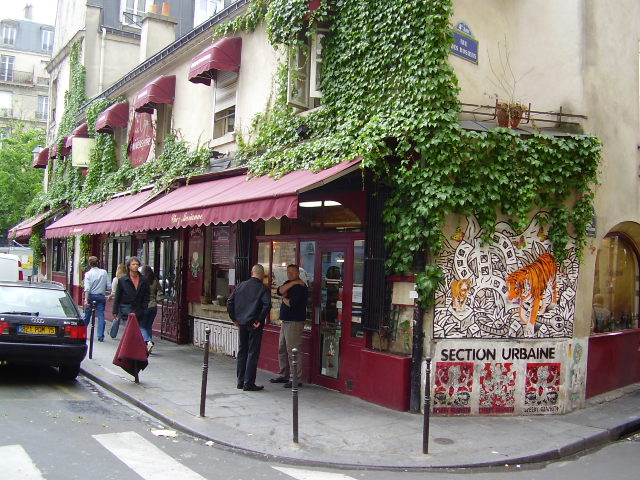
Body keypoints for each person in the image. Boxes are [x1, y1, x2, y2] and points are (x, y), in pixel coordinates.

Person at [226, 264, 271, 391]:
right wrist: (259, 319)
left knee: (242, 351)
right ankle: (248, 383)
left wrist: (234, 319)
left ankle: (240, 381)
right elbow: (267, 305)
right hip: (254, 324)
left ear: (252, 272)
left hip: (242, 323)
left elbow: (229, 302)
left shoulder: (241, 285)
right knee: (252, 353)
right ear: (262, 274)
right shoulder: (263, 288)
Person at [270, 264, 308, 388]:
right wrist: (292, 284)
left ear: (298, 273)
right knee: (282, 348)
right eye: (288, 272)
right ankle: (283, 374)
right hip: (285, 321)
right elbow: (279, 291)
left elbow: (291, 303)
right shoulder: (290, 283)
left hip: (294, 322)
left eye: (293, 272)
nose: (290, 274)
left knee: (293, 350)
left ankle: (295, 378)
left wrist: (284, 299)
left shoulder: (301, 287)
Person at [111, 257, 150, 339]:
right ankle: (130, 347)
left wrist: (144, 306)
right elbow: (118, 296)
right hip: (126, 308)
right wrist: (115, 310)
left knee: (138, 329)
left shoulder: (144, 280)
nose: (135, 266)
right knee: (129, 329)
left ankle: (143, 344)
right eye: (133, 264)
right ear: (129, 266)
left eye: (137, 264)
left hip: (139, 309)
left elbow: (147, 294)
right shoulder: (122, 280)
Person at [83, 256, 109, 342]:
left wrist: (86, 300)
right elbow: (108, 285)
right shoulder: (104, 272)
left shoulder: (88, 274)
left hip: (91, 296)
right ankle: (100, 336)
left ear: (89, 264)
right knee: (101, 316)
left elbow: (87, 288)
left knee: (87, 315)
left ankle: (83, 333)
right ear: (97, 262)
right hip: (101, 296)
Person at [140, 265, 163, 353]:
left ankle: (148, 341)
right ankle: (148, 347)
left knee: (141, 326)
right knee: (148, 326)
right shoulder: (155, 280)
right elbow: (160, 291)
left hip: (144, 306)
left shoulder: (142, 281)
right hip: (153, 306)